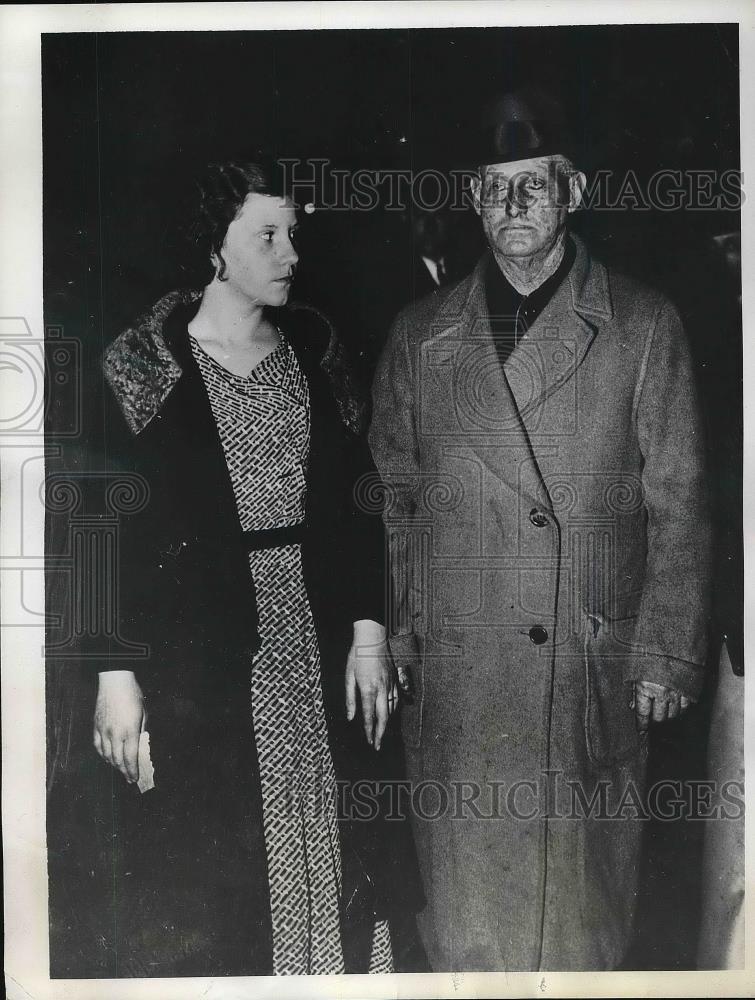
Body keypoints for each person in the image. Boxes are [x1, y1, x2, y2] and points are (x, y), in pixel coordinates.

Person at [369, 88, 712, 971]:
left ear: (573, 193)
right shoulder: (416, 337)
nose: (513, 206)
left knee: (575, 935)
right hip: (458, 679)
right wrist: (402, 640)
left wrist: (667, 649)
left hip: (581, 670)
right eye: (495, 187)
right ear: (474, 200)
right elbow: (396, 501)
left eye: (533, 185)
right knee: (468, 935)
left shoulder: (640, 326)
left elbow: (678, 501)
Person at [87, 158, 421, 976]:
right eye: (266, 235)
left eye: (292, 235)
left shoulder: (316, 349)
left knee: (340, 836)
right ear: (214, 248)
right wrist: (113, 676)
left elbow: (357, 503)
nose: (289, 254)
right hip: (201, 650)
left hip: (316, 638)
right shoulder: (143, 366)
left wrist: (370, 632)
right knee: (219, 860)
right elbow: (99, 528)